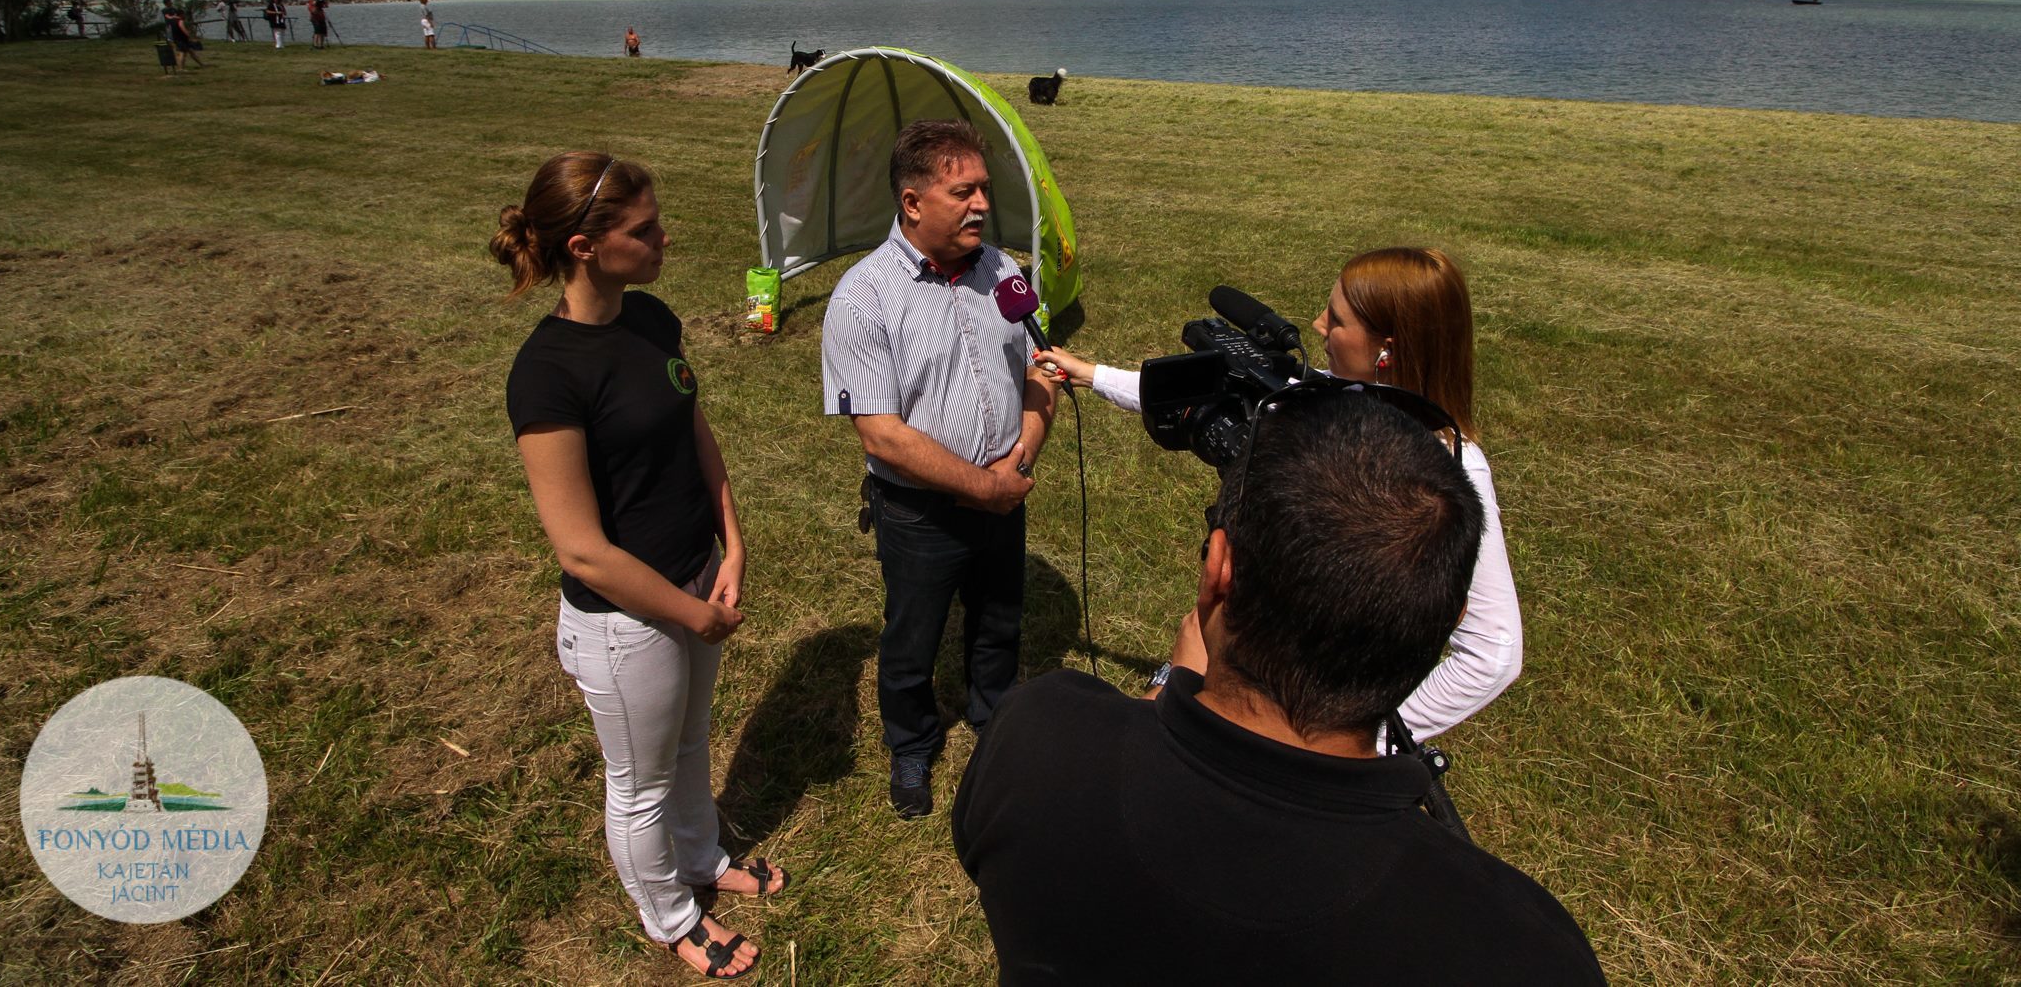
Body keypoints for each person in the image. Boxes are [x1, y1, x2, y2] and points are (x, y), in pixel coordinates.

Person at [952, 387, 1605, 984]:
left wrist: (1169, 687)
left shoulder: (1036, 739)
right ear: (1445, 618)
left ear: (1216, 572)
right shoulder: (1520, 947)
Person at [1036, 247, 1520, 740]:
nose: (1316, 324)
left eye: (1336, 319)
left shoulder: (1454, 471)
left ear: (1386, 350)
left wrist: (1369, 739)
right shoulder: (1325, 394)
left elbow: (1492, 651)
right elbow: (1202, 397)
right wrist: (1091, 374)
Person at [495, 152, 783, 980]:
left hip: (697, 575)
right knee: (641, 781)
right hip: (625, 622)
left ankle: (701, 858)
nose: (666, 236)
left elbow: (694, 428)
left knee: (690, 742)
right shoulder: (547, 375)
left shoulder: (652, 319)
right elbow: (581, 546)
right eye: (644, 228)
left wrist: (731, 542)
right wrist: (690, 612)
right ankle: (674, 917)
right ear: (584, 246)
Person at [820, 119, 1056, 819]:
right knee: (911, 635)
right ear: (913, 201)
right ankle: (913, 743)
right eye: (964, 191)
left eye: (984, 187)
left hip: (1005, 491)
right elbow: (883, 434)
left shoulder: (1005, 272)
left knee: (999, 622)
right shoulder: (864, 297)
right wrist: (981, 486)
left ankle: (996, 720)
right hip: (917, 512)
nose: (982, 202)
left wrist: (1021, 456)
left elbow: (1042, 369)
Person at [161, 0, 202, 70]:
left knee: (189, 50)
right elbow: (168, 17)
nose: (171, 3)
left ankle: (201, 64)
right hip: (170, 27)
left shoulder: (174, 9)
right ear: (166, 3)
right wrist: (176, 18)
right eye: (169, 2)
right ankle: (180, 66)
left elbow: (177, 14)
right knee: (181, 50)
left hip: (178, 30)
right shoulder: (165, 10)